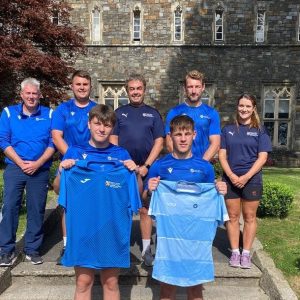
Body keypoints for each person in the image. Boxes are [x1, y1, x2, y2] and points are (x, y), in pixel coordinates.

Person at [54, 104, 141, 300]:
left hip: (112, 228)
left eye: (107, 125)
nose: (102, 129)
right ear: (89, 124)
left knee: (110, 283)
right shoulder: (74, 153)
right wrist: (62, 171)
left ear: (112, 128)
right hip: (83, 228)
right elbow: (58, 189)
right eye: (97, 124)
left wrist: (135, 174)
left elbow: (138, 194)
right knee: (83, 282)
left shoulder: (121, 155)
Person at [143, 115, 228, 300]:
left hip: (195, 238)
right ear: (170, 136)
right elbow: (144, 199)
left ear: (194, 135)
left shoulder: (205, 168)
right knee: (167, 289)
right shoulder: (160, 165)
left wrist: (219, 189)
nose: (182, 138)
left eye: (187, 134)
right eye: (178, 134)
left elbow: (210, 195)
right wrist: (149, 190)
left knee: (195, 290)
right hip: (169, 237)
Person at [110, 73, 165, 266]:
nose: (135, 92)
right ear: (127, 90)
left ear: (144, 89)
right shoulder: (118, 113)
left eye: (138, 88)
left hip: (147, 168)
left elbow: (159, 141)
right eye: (132, 89)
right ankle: (120, 249)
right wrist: (125, 163)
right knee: (122, 209)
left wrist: (146, 166)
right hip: (124, 169)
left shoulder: (153, 113)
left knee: (144, 210)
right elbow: (113, 140)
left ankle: (146, 250)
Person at [0, 78, 55, 266]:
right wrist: (21, 163)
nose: (31, 97)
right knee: (9, 207)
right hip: (16, 167)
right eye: (28, 93)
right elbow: (4, 141)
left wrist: (37, 163)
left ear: (40, 95)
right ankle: (6, 250)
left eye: (35, 93)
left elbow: (52, 143)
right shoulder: (8, 113)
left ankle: (32, 249)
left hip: (39, 168)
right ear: (21, 94)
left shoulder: (49, 114)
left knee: (36, 209)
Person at [219, 93, 272, 269]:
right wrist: (232, 176)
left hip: (252, 179)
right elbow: (222, 155)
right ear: (237, 107)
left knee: (249, 217)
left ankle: (246, 253)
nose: (244, 109)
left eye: (248, 106)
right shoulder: (227, 130)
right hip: (230, 179)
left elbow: (262, 157)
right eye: (241, 106)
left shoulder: (260, 130)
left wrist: (246, 177)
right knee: (233, 217)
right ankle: (235, 252)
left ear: (253, 109)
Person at [51, 70, 96, 263]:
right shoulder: (62, 109)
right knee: (67, 204)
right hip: (70, 163)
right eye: (78, 84)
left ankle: (91, 243)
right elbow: (56, 136)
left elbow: (104, 135)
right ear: (72, 86)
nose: (82, 87)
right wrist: (73, 157)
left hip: (93, 164)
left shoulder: (97, 108)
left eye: (85, 84)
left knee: (93, 205)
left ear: (90, 86)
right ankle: (68, 245)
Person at [165, 70, 221, 161]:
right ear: (185, 88)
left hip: (202, 164)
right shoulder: (174, 112)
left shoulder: (211, 113)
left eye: (197, 87)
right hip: (180, 164)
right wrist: (182, 162)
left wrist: (201, 164)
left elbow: (215, 143)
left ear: (203, 87)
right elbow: (169, 142)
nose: (194, 91)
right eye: (190, 87)